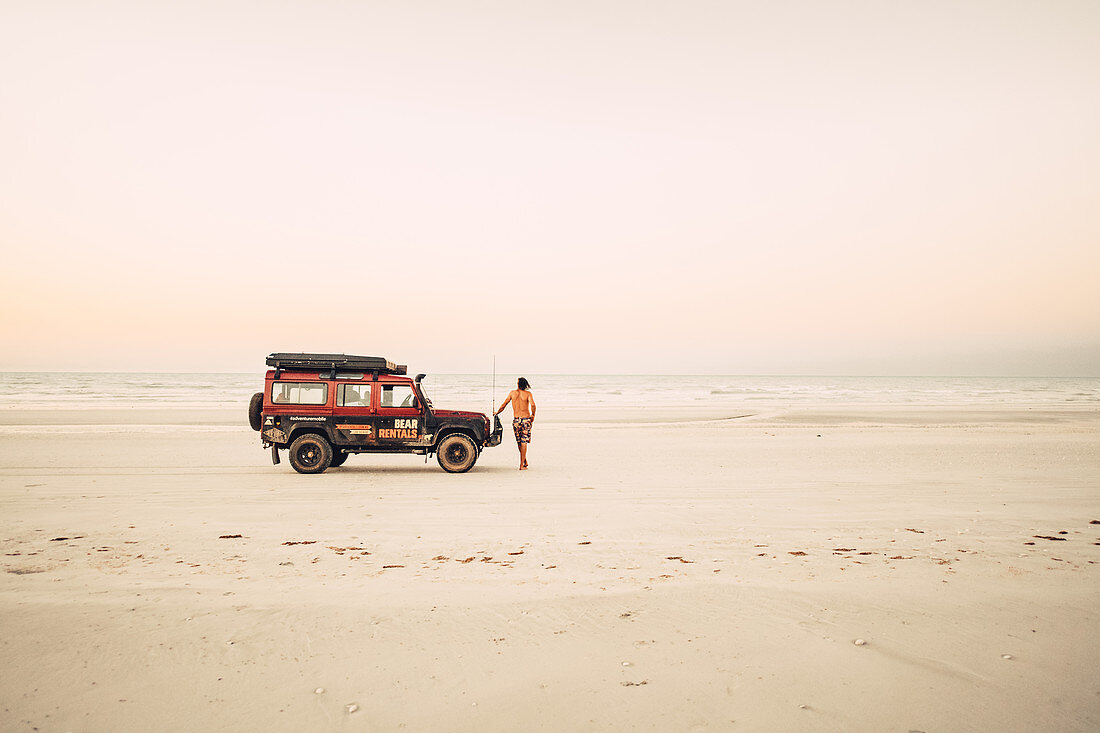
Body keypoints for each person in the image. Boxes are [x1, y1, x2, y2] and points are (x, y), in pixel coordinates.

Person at [495, 377, 536, 470]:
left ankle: (524, 460)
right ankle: (522, 465)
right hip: (525, 419)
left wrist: (497, 412)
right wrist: (533, 415)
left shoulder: (512, 393)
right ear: (525, 385)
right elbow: (533, 405)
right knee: (524, 441)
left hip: (516, 420)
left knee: (519, 442)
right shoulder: (528, 394)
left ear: (518, 384)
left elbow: (504, 404)